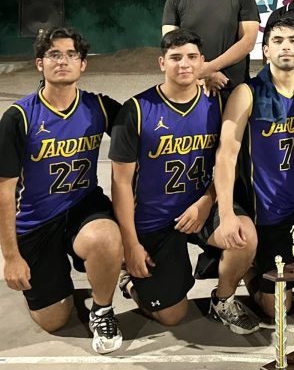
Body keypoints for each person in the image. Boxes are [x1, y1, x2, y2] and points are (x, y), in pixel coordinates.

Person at [109, 29, 258, 333]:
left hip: (201, 206)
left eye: (192, 57)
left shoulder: (217, 104)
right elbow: (121, 184)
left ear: (203, 62)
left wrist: (206, 202)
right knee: (173, 316)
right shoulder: (137, 110)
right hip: (155, 219)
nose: (184, 64)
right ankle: (131, 283)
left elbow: (225, 163)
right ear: (162, 63)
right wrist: (130, 244)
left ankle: (223, 298)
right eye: (175, 58)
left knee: (244, 236)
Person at [0, 27, 124, 354]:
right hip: (36, 220)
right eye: (54, 54)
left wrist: (198, 83)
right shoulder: (19, 117)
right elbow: (5, 191)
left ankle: (102, 308)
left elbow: (149, 118)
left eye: (72, 54)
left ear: (83, 65)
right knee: (55, 319)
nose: (63, 61)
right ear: (40, 64)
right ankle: (56, 281)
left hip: (83, 207)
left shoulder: (99, 107)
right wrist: (11, 256)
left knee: (107, 238)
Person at [213, 18, 294, 318]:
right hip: (267, 212)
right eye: (277, 41)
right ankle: (250, 271)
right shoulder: (247, 94)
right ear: (265, 51)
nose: (285, 46)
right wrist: (225, 214)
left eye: (291, 40)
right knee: (279, 310)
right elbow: (226, 156)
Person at [162, 0, 260, 97]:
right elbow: (170, 46)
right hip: (191, 89)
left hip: (234, 88)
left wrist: (209, 68)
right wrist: (202, 74)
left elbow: (248, 42)